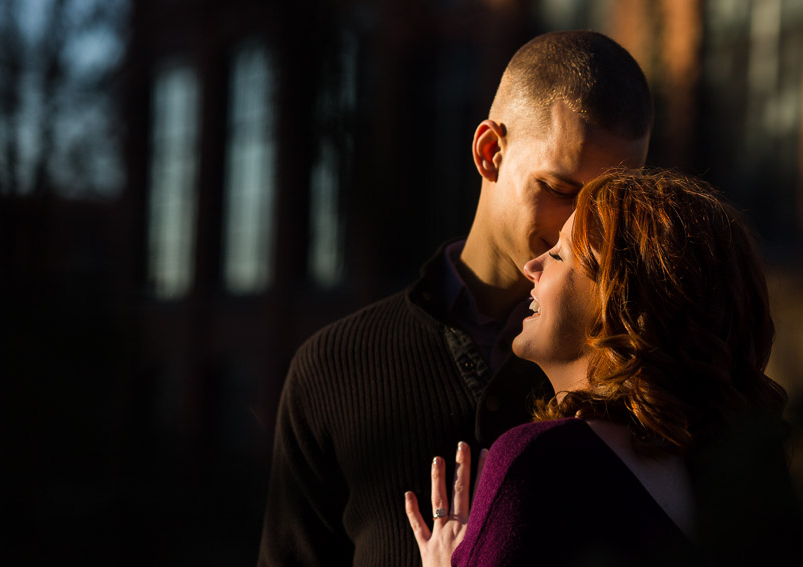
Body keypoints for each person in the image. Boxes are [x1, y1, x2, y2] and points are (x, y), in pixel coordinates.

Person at [257, 31, 653, 566]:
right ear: (490, 153)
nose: (582, 228)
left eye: (610, 202)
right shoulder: (333, 369)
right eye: (562, 190)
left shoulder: (648, 368)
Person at [405, 169, 800, 566]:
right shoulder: (756, 487)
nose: (532, 265)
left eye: (559, 254)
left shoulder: (539, 463)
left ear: (617, 302)